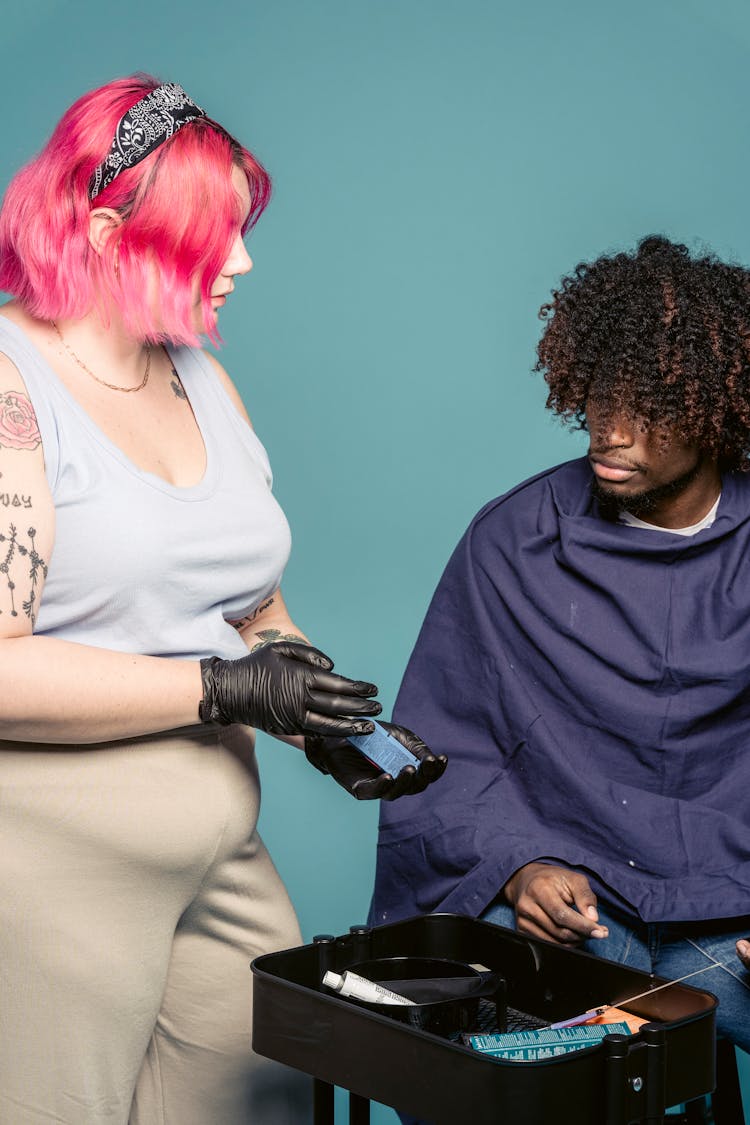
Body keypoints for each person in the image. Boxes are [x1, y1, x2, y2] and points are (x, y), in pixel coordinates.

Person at [0, 75, 446, 1125]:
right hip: (48, 871)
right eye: (214, 238)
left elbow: (252, 608)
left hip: (218, 848)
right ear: (107, 231)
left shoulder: (195, 374)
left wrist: (317, 713)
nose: (242, 262)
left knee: (265, 1097)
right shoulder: (12, 389)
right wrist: (225, 687)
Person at [370, 236, 750, 1061]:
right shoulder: (513, 539)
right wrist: (517, 867)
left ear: (716, 405)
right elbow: (441, 748)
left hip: (731, 910)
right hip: (582, 901)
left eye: (648, 405)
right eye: (596, 398)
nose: (609, 430)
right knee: (483, 1039)